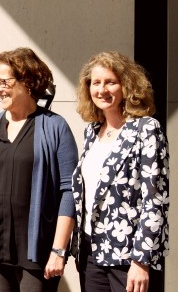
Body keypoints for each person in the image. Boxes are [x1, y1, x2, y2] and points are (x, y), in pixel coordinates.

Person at [0, 47, 78, 292]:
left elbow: (70, 191)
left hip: (37, 249)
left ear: (29, 81)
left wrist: (59, 250)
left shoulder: (55, 127)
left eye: (5, 81)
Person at [71, 51, 169, 292]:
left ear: (126, 85)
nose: (102, 90)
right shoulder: (92, 132)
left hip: (128, 256)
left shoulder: (147, 128)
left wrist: (141, 260)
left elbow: (155, 200)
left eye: (110, 82)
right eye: (96, 82)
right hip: (90, 251)